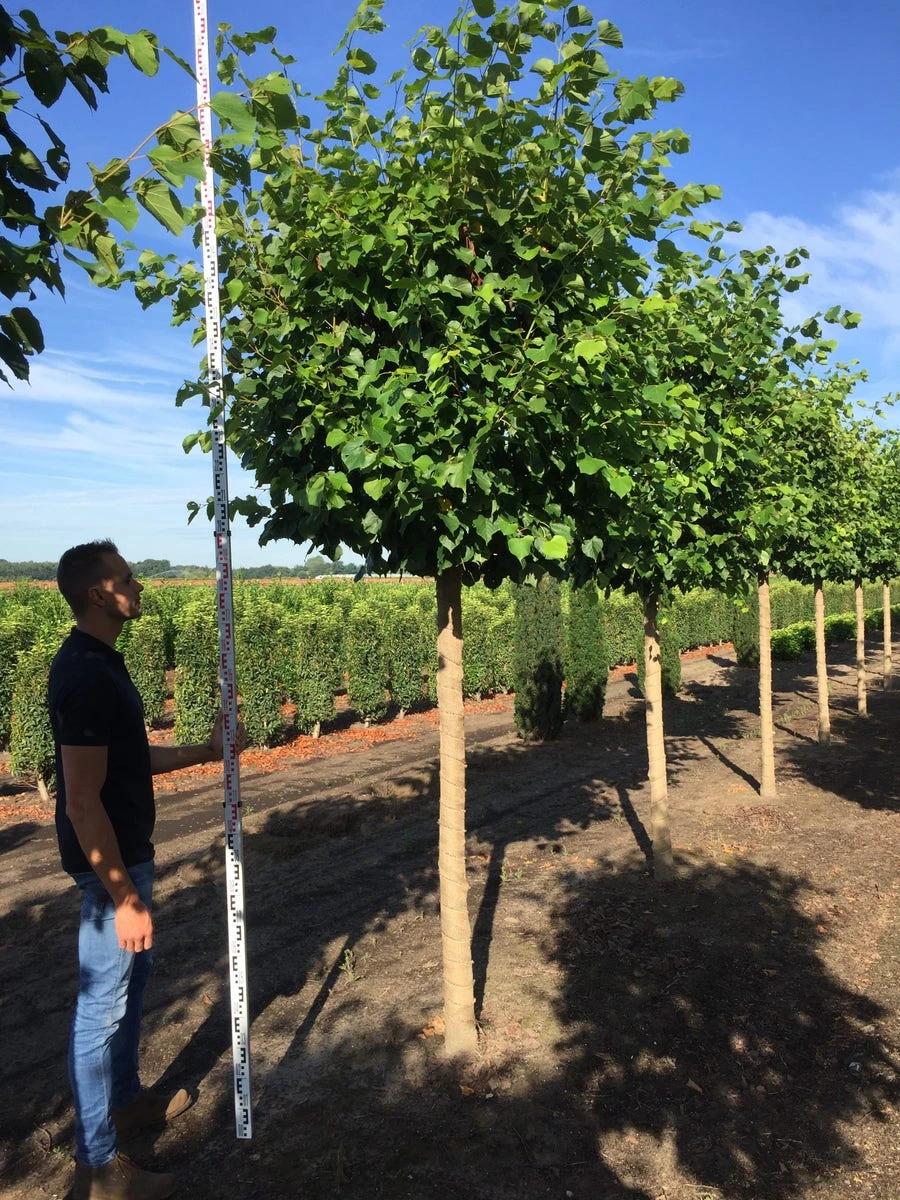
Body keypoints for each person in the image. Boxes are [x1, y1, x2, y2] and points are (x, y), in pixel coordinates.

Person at [49, 541, 244, 1200]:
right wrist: (123, 896)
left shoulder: (105, 665)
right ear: (102, 594)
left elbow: (129, 759)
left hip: (130, 857)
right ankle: (97, 1168)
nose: (140, 586)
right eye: (129, 578)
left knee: (131, 984)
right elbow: (80, 800)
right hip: (111, 871)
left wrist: (204, 750)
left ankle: (127, 1100)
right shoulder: (81, 673)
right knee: (101, 1007)